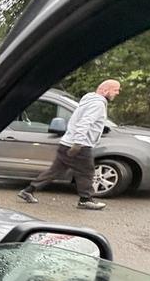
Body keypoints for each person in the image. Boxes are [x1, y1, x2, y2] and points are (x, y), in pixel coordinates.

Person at [18, 79, 120, 209]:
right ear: (105, 90)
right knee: (86, 172)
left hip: (67, 142)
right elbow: (84, 123)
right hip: (79, 145)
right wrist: (78, 143)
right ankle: (85, 200)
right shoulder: (97, 104)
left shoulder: (89, 100)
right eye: (115, 90)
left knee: (55, 171)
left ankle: (28, 191)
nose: (117, 93)